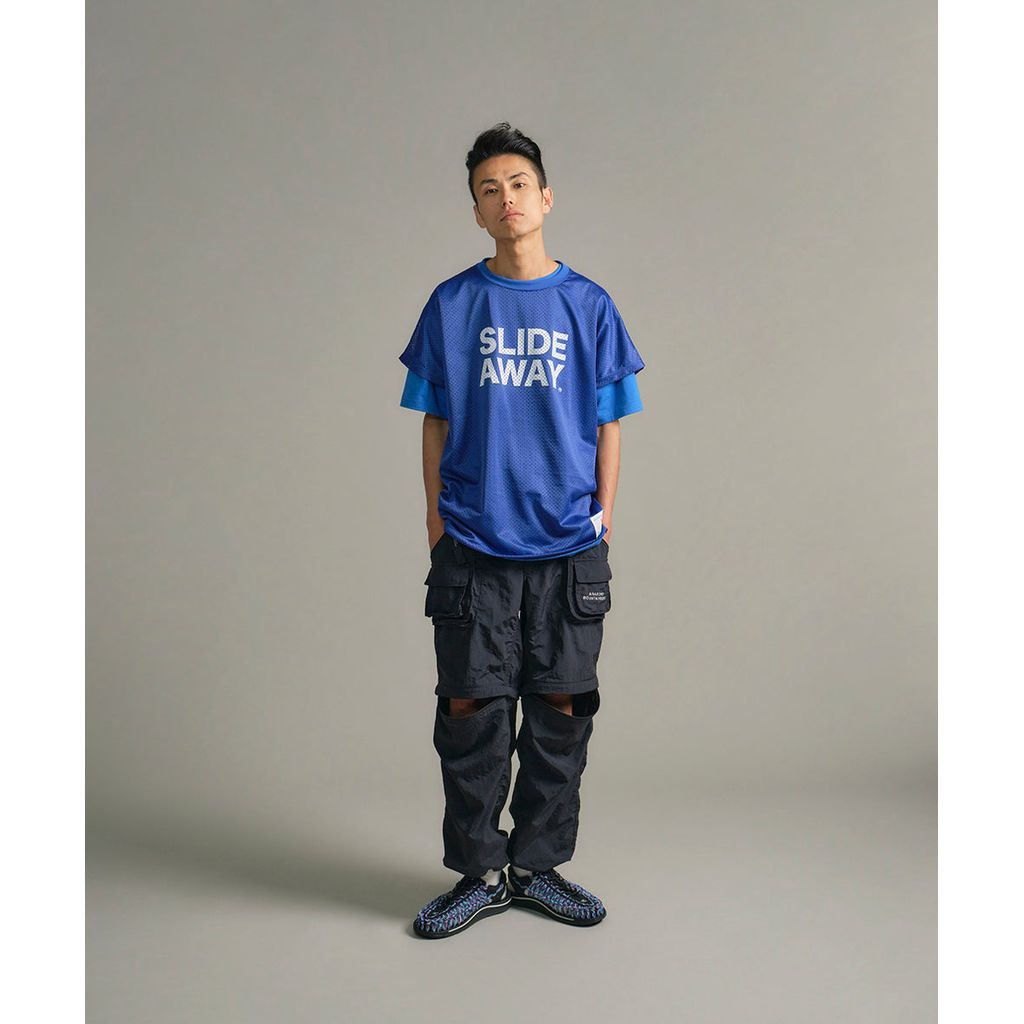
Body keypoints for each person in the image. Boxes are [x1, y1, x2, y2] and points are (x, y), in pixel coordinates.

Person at [398, 122, 645, 939]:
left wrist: (602, 515)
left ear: (545, 198)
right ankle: (478, 875)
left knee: (560, 715)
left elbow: (610, 421)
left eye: (517, 184)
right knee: (469, 715)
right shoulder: (452, 305)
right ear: (476, 213)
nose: (505, 199)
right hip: (473, 545)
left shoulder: (590, 306)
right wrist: (436, 521)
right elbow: (434, 419)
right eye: (487, 190)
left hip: (569, 549)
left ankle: (538, 869)